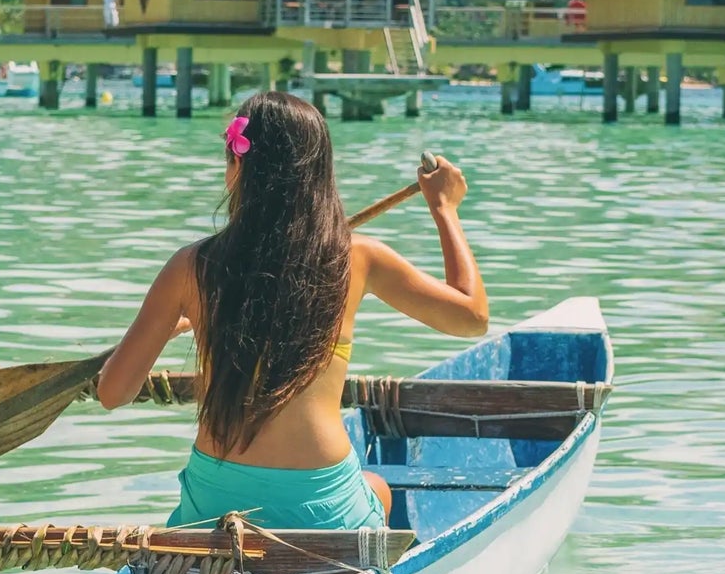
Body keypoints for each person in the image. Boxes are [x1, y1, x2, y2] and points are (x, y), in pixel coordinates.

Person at [97, 91, 488, 529]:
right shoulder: (357, 258)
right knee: (376, 485)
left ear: (236, 168)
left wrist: (164, 322)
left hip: (214, 503)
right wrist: (444, 209)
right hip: (318, 502)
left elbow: (113, 394)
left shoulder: (189, 266)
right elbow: (472, 318)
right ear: (320, 175)